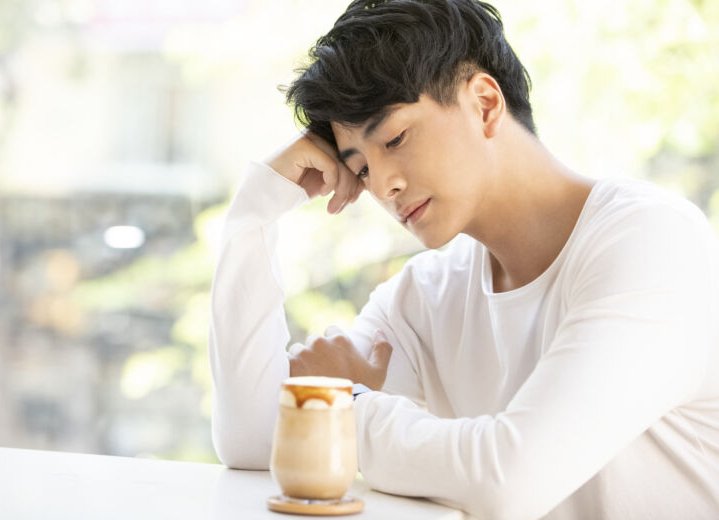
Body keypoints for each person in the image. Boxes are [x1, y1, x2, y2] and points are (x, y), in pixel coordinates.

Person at [208, 0, 719, 518]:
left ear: (484, 103)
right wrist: (253, 216)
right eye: (359, 168)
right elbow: (255, 436)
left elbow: (510, 478)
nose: (383, 185)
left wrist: (342, 413)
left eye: (395, 138)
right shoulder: (428, 294)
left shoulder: (650, 240)